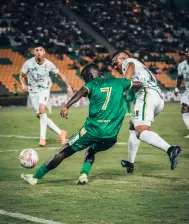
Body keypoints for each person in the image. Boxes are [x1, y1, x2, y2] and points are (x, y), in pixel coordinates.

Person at [21, 63, 143, 185]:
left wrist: (66, 105)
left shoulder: (92, 84)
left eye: (85, 78)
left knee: (64, 151)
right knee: (91, 150)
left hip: (92, 130)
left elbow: (81, 91)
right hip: (111, 136)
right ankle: (83, 175)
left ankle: (35, 177)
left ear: (90, 75)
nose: (85, 81)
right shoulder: (119, 82)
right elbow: (139, 84)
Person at [112, 50, 181, 173]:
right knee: (134, 126)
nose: (114, 65)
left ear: (122, 58)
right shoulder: (141, 67)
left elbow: (130, 66)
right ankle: (130, 163)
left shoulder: (129, 62)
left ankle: (170, 149)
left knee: (141, 131)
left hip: (146, 95)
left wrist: (123, 83)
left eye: (115, 61)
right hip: (157, 98)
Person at [19, 43, 73, 147]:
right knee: (41, 115)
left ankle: (42, 139)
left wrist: (68, 86)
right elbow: (21, 76)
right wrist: (23, 84)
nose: (38, 52)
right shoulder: (28, 63)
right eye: (36, 50)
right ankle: (61, 133)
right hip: (33, 92)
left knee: (42, 110)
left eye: (40, 50)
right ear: (34, 52)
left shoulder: (49, 64)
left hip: (44, 90)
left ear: (44, 52)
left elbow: (60, 74)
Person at [174, 48, 189, 138]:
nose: (187, 53)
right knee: (184, 109)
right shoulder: (181, 65)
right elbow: (180, 78)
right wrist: (176, 88)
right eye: (187, 52)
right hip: (187, 92)